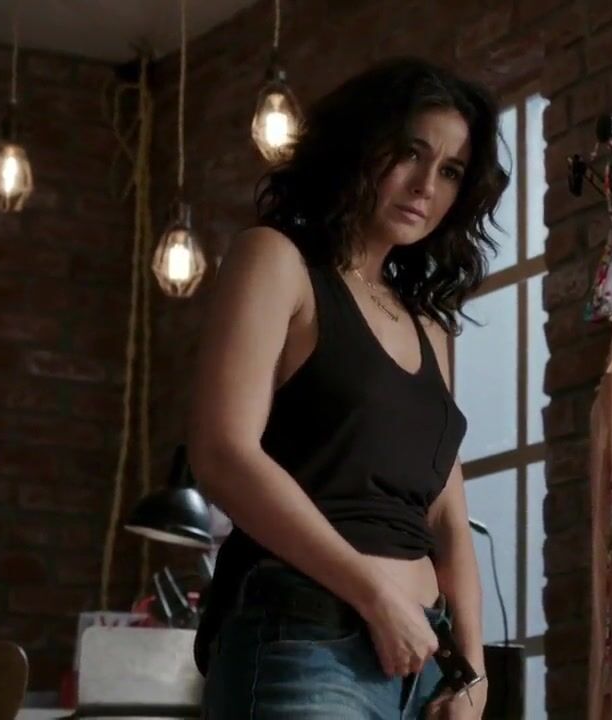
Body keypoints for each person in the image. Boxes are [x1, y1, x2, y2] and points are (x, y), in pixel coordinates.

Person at [188, 56, 507, 719]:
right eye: (409, 153)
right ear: (359, 147)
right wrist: (376, 595)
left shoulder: (430, 327)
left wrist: (472, 671)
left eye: (450, 171)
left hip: (426, 667)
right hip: (306, 641)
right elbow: (222, 454)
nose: (425, 186)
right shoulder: (276, 261)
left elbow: (448, 519)